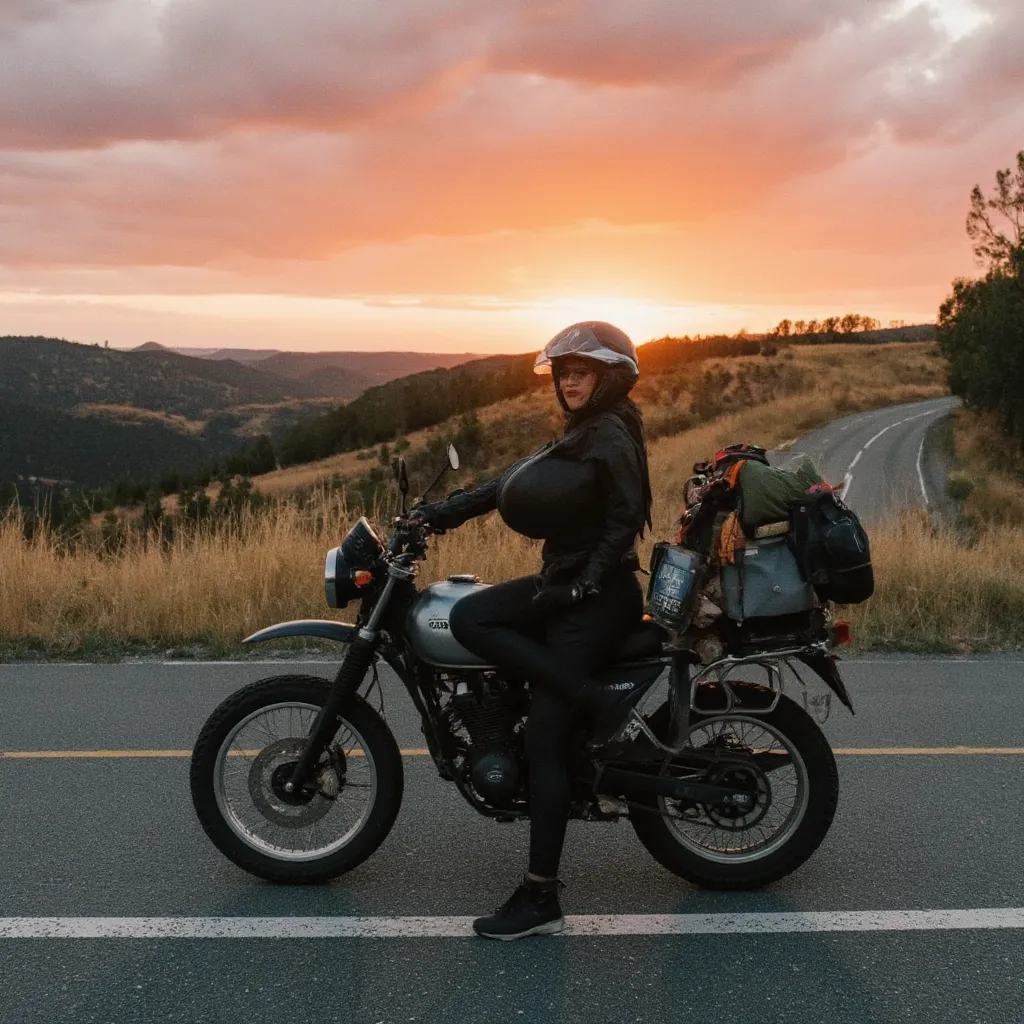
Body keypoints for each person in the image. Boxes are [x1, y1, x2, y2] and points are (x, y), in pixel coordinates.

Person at [412, 321, 652, 941]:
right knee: (471, 615)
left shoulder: (611, 434)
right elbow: (509, 483)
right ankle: (556, 699)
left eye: (581, 373)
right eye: (564, 374)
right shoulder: (585, 429)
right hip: (568, 586)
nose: (570, 383)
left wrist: (587, 583)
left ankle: (541, 896)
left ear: (608, 378)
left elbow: (627, 516)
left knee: (546, 736)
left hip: (597, 597)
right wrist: (436, 515)